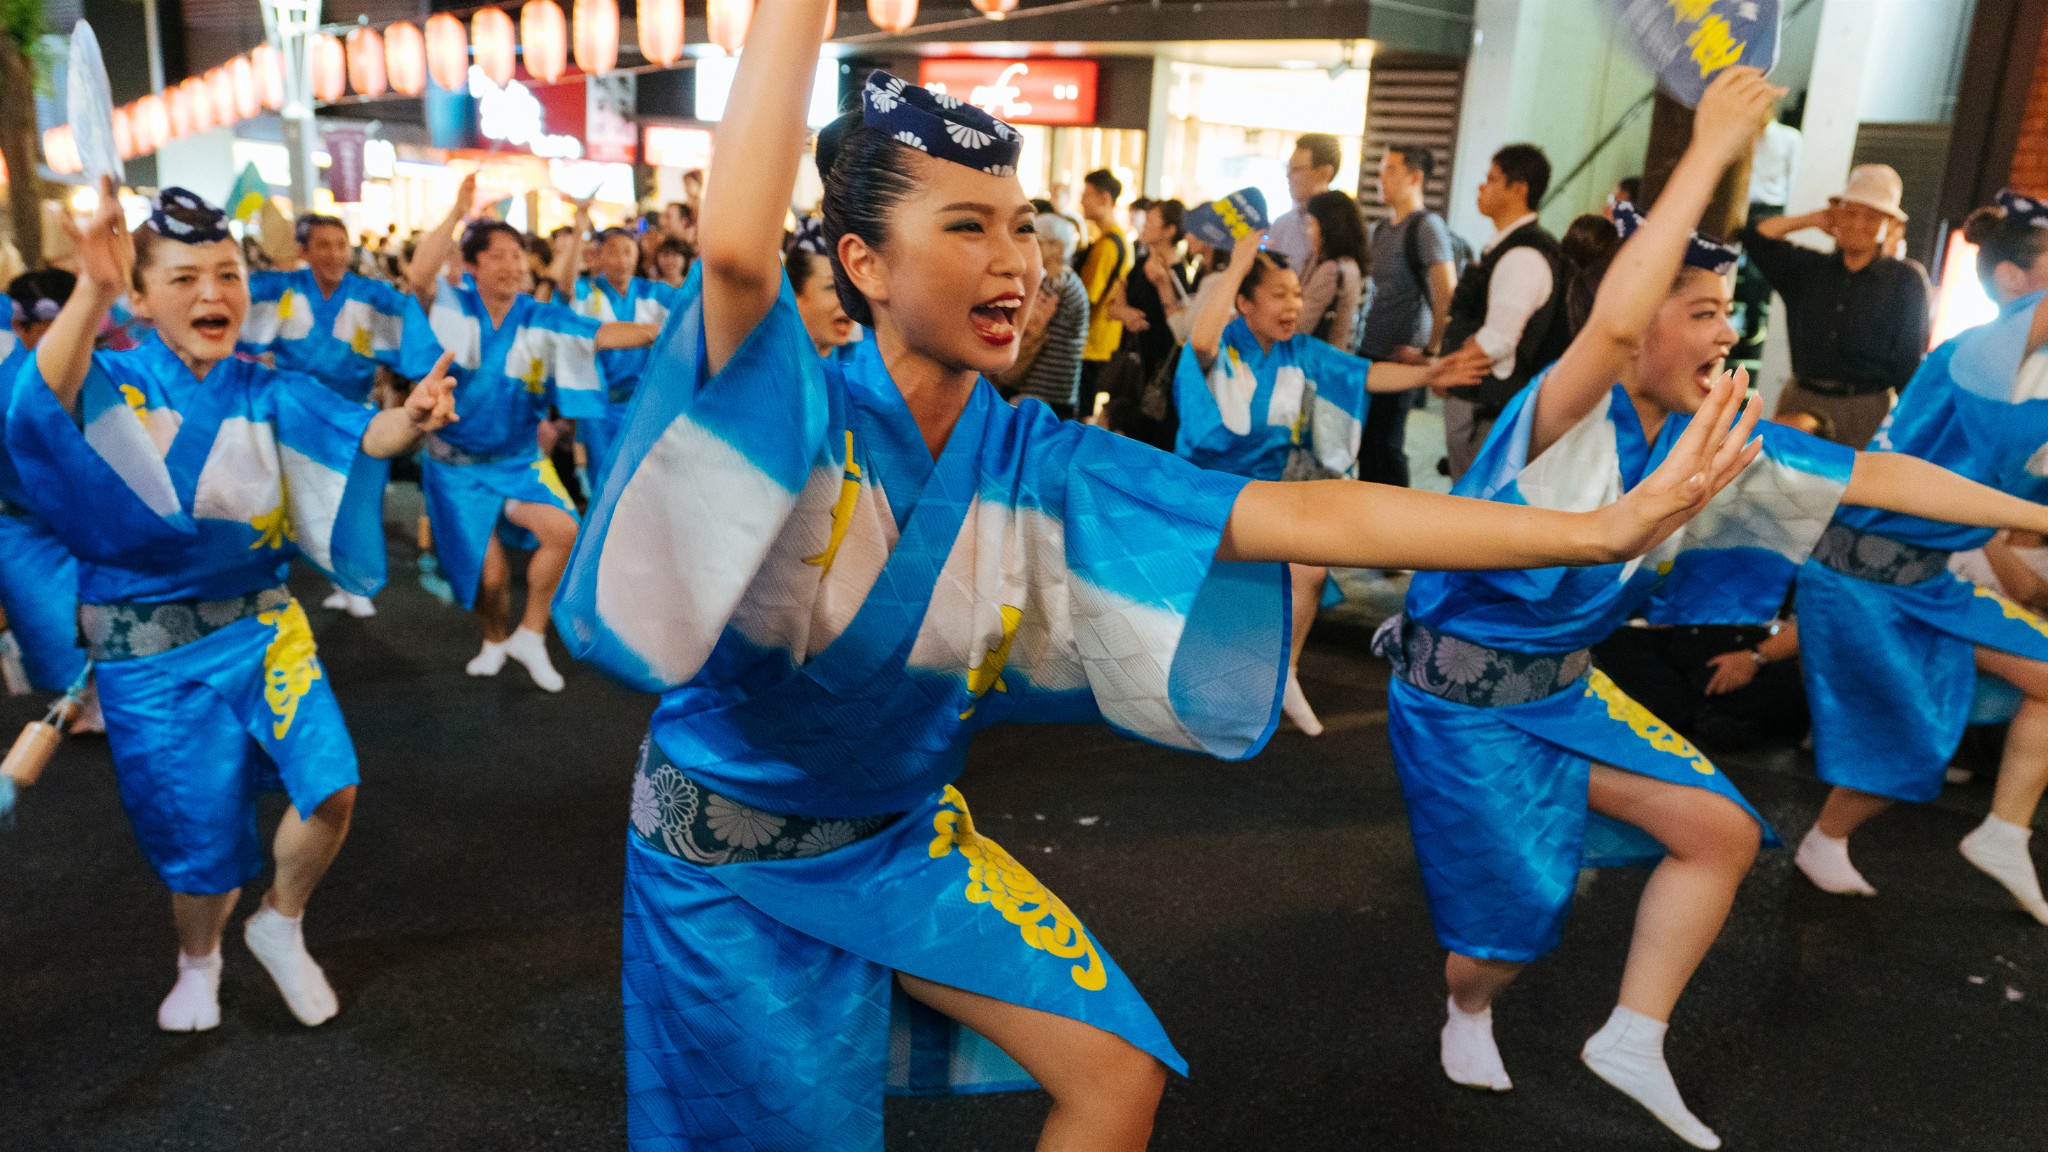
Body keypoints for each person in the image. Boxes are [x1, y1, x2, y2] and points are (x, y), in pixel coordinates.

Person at [552, 12, 1767, 1144]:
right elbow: (732, 256)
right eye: (966, 227)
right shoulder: (797, 415)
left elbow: (1298, 508)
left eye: (1024, 225)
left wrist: (1594, 533)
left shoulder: (1031, 453)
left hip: (897, 842)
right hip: (728, 866)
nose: (1015, 258)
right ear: (863, 264)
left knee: (1115, 1073)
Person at [1375, 76, 2048, 1150]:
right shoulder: (1557, 417)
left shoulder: (1716, 434)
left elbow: (1891, 483)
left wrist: (2031, 513)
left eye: (1728, 317)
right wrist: (1713, 144)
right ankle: (1467, 1005)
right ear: (1637, 325)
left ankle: (1629, 1038)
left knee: (1720, 833)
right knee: (1501, 946)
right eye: (1699, 314)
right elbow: (1607, 324)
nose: (1723, 336)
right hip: (1460, 704)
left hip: (1565, 691)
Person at [6, 183, 458, 1033]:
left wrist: (412, 417)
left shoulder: (268, 385)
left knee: (332, 788)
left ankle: (280, 922)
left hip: (261, 627)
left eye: (227, 273)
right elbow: (38, 407)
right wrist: (91, 290)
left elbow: (361, 435)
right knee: (200, 846)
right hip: (149, 658)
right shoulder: (108, 379)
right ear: (139, 298)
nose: (213, 293)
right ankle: (199, 959)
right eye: (183, 278)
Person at [1791, 189, 2048, 926]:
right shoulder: (1979, 352)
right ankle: (1826, 839)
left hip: (1926, 578)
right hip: (1860, 576)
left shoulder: (2028, 365)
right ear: (2011, 283)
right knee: (1908, 749)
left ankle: (2003, 831)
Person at [1178, 243, 1490, 738]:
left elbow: (1364, 375)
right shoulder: (1221, 344)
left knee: (1309, 568)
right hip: (1206, 492)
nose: (1294, 306)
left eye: (1298, 294)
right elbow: (1197, 341)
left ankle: (1286, 675)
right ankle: (1202, 686)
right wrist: (1238, 262)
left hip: (1268, 492)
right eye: (1278, 295)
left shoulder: (1300, 352)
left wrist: (1431, 371)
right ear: (1244, 304)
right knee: (1204, 606)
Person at [403, 174, 656, 692]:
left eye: (519, 255)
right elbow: (420, 280)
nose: (514, 265)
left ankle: (531, 634)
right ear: (471, 267)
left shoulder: (540, 316)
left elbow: (600, 336)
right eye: (498, 255)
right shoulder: (453, 309)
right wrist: (457, 210)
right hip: (456, 469)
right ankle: (495, 637)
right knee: (490, 579)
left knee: (565, 532)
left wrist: (662, 331)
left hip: (518, 461)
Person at [239, 213, 421, 619]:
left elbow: (414, 319)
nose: (335, 254)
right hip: (292, 418)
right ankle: (269, 583)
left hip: (352, 417)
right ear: (303, 251)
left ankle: (349, 580)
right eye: (323, 245)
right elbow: (235, 297)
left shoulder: (369, 294)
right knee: (278, 501)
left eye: (341, 244)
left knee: (353, 501)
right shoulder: (281, 288)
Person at [1741, 163, 1930, 448]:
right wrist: (1812, 219)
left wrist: (1908, 429)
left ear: (1889, 224)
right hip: (1800, 399)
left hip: (1865, 407)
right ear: (1835, 213)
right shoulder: (1808, 268)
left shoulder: (1905, 280)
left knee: (1850, 490)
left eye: (1872, 217)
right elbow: (1754, 236)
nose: (1857, 224)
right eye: (1850, 212)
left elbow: (1908, 362)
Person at [1438, 143, 1570, 480]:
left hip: (1486, 410)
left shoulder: (1523, 256)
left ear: (1519, 188)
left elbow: (1497, 342)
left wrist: (1443, 373)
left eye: (1492, 179)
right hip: (1480, 405)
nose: (1481, 187)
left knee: (1475, 506)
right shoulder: (1508, 247)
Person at [0, 269, 94, 719]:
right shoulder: (10, 377)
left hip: (95, 525)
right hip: (23, 527)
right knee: (60, 649)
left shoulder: (107, 368)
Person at [1360, 145, 1460, 488]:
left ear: (1415, 177)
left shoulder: (1427, 227)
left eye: (1390, 170)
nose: (1380, 178)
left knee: (1385, 446)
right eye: (1381, 169)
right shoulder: (1380, 230)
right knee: (1367, 445)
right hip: (1370, 351)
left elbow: (1447, 294)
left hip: (1402, 357)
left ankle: (1394, 528)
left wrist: (1430, 352)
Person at [568, 221, 684, 492]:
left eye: (627, 251)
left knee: (646, 485)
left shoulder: (655, 292)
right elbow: (564, 297)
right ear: (598, 256)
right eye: (611, 251)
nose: (621, 259)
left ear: (638, 255)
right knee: (606, 486)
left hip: (645, 403)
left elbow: (693, 311)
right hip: (600, 407)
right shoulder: (586, 292)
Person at [991, 211, 1088, 415]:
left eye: (1039, 243)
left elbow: (1028, 324)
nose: (1032, 250)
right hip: (1058, 388)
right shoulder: (1068, 280)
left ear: (1057, 247)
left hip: (1042, 389)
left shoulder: (1056, 284)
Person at [1075, 168, 1132, 418]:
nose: (1081, 201)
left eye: (1086, 194)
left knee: (1083, 413)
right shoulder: (1121, 240)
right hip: (1104, 340)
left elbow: (1087, 298)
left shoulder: (1107, 245)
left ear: (1104, 199)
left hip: (1090, 342)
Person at [1296, 190, 1368, 353]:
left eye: (1311, 224)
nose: (1307, 232)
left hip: (1319, 364)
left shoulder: (1332, 271)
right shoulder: (1350, 264)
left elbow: (1300, 326)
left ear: (1328, 227)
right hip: (1338, 359)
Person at [1269, 132, 1341, 272]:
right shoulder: (1282, 225)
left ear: (1325, 173)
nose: (1288, 176)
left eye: (1296, 169)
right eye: (1288, 168)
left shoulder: (1343, 230)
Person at [787, 246, 857, 360]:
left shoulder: (860, 364)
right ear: (793, 296)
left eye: (854, 288)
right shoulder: (763, 365)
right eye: (833, 287)